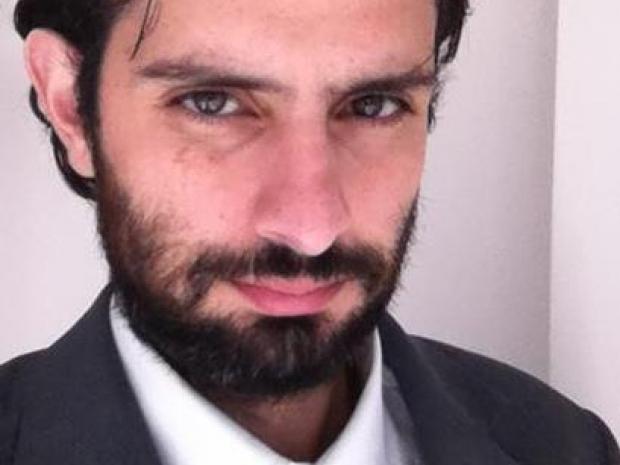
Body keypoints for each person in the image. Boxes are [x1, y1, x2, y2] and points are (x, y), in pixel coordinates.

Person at [1, 0, 618, 463]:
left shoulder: (565, 445)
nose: (311, 229)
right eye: (213, 102)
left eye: (373, 105)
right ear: (71, 106)